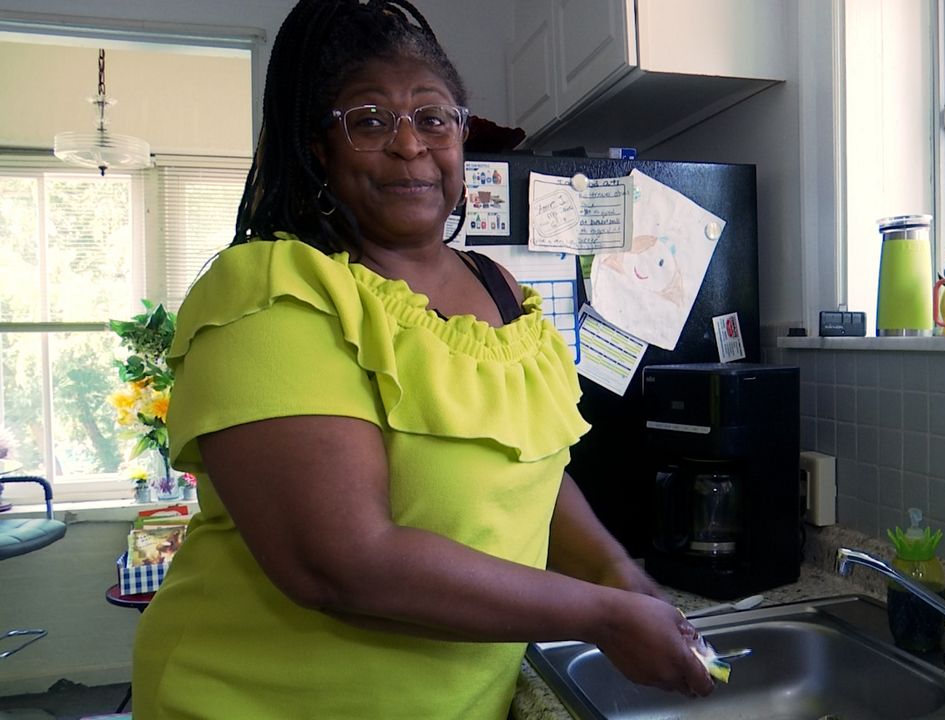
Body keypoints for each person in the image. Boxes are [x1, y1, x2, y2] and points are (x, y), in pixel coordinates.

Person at [129, 1, 714, 717]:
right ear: (320, 147)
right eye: (369, 121)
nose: (410, 145)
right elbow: (341, 563)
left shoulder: (501, 290)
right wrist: (603, 616)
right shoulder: (271, 290)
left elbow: (533, 476)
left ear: (462, 137)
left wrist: (619, 575)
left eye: (434, 119)